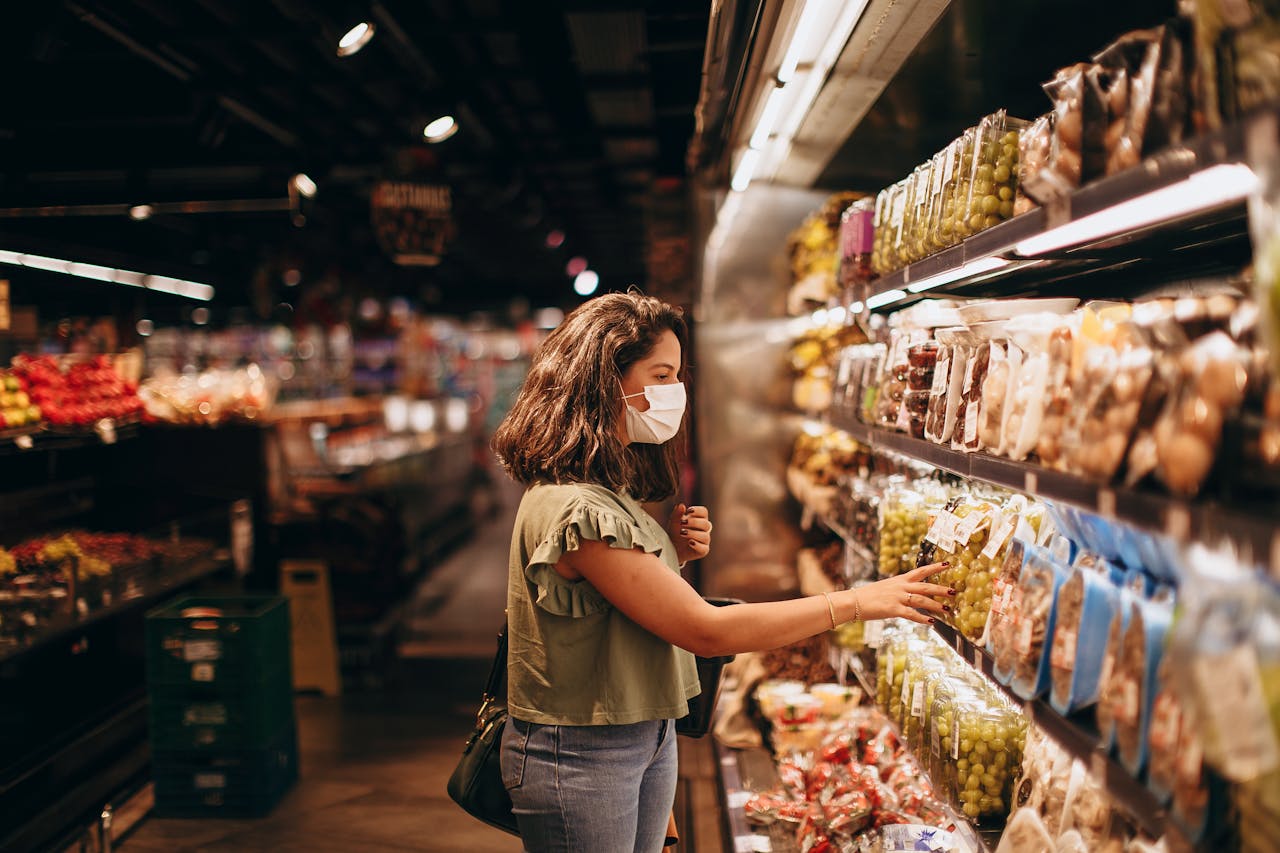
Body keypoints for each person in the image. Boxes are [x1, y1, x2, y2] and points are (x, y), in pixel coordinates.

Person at [491, 292, 952, 852]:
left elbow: (606, 608)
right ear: (604, 376)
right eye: (660, 374)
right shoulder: (576, 508)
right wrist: (858, 601)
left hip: (640, 732)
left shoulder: (607, 492)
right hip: (585, 752)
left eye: (678, 376)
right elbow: (705, 631)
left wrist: (670, 556)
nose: (674, 393)